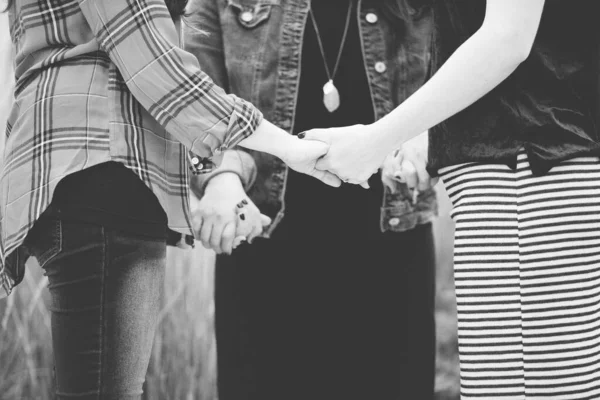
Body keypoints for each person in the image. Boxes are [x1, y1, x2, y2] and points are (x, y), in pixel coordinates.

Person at [0, 0, 339, 398]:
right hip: (100, 167)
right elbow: (158, 67)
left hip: (84, 169)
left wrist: (216, 181)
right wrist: (289, 148)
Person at [304, 0, 600, 398]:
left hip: (531, 179)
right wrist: (430, 136)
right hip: (516, 176)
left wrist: (375, 140)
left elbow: (508, 38)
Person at [184, 1, 438, 399]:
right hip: (263, 251)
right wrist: (221, 179)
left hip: (391, 247)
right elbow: (192, 100)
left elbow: (466, 70)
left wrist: (425, 141)